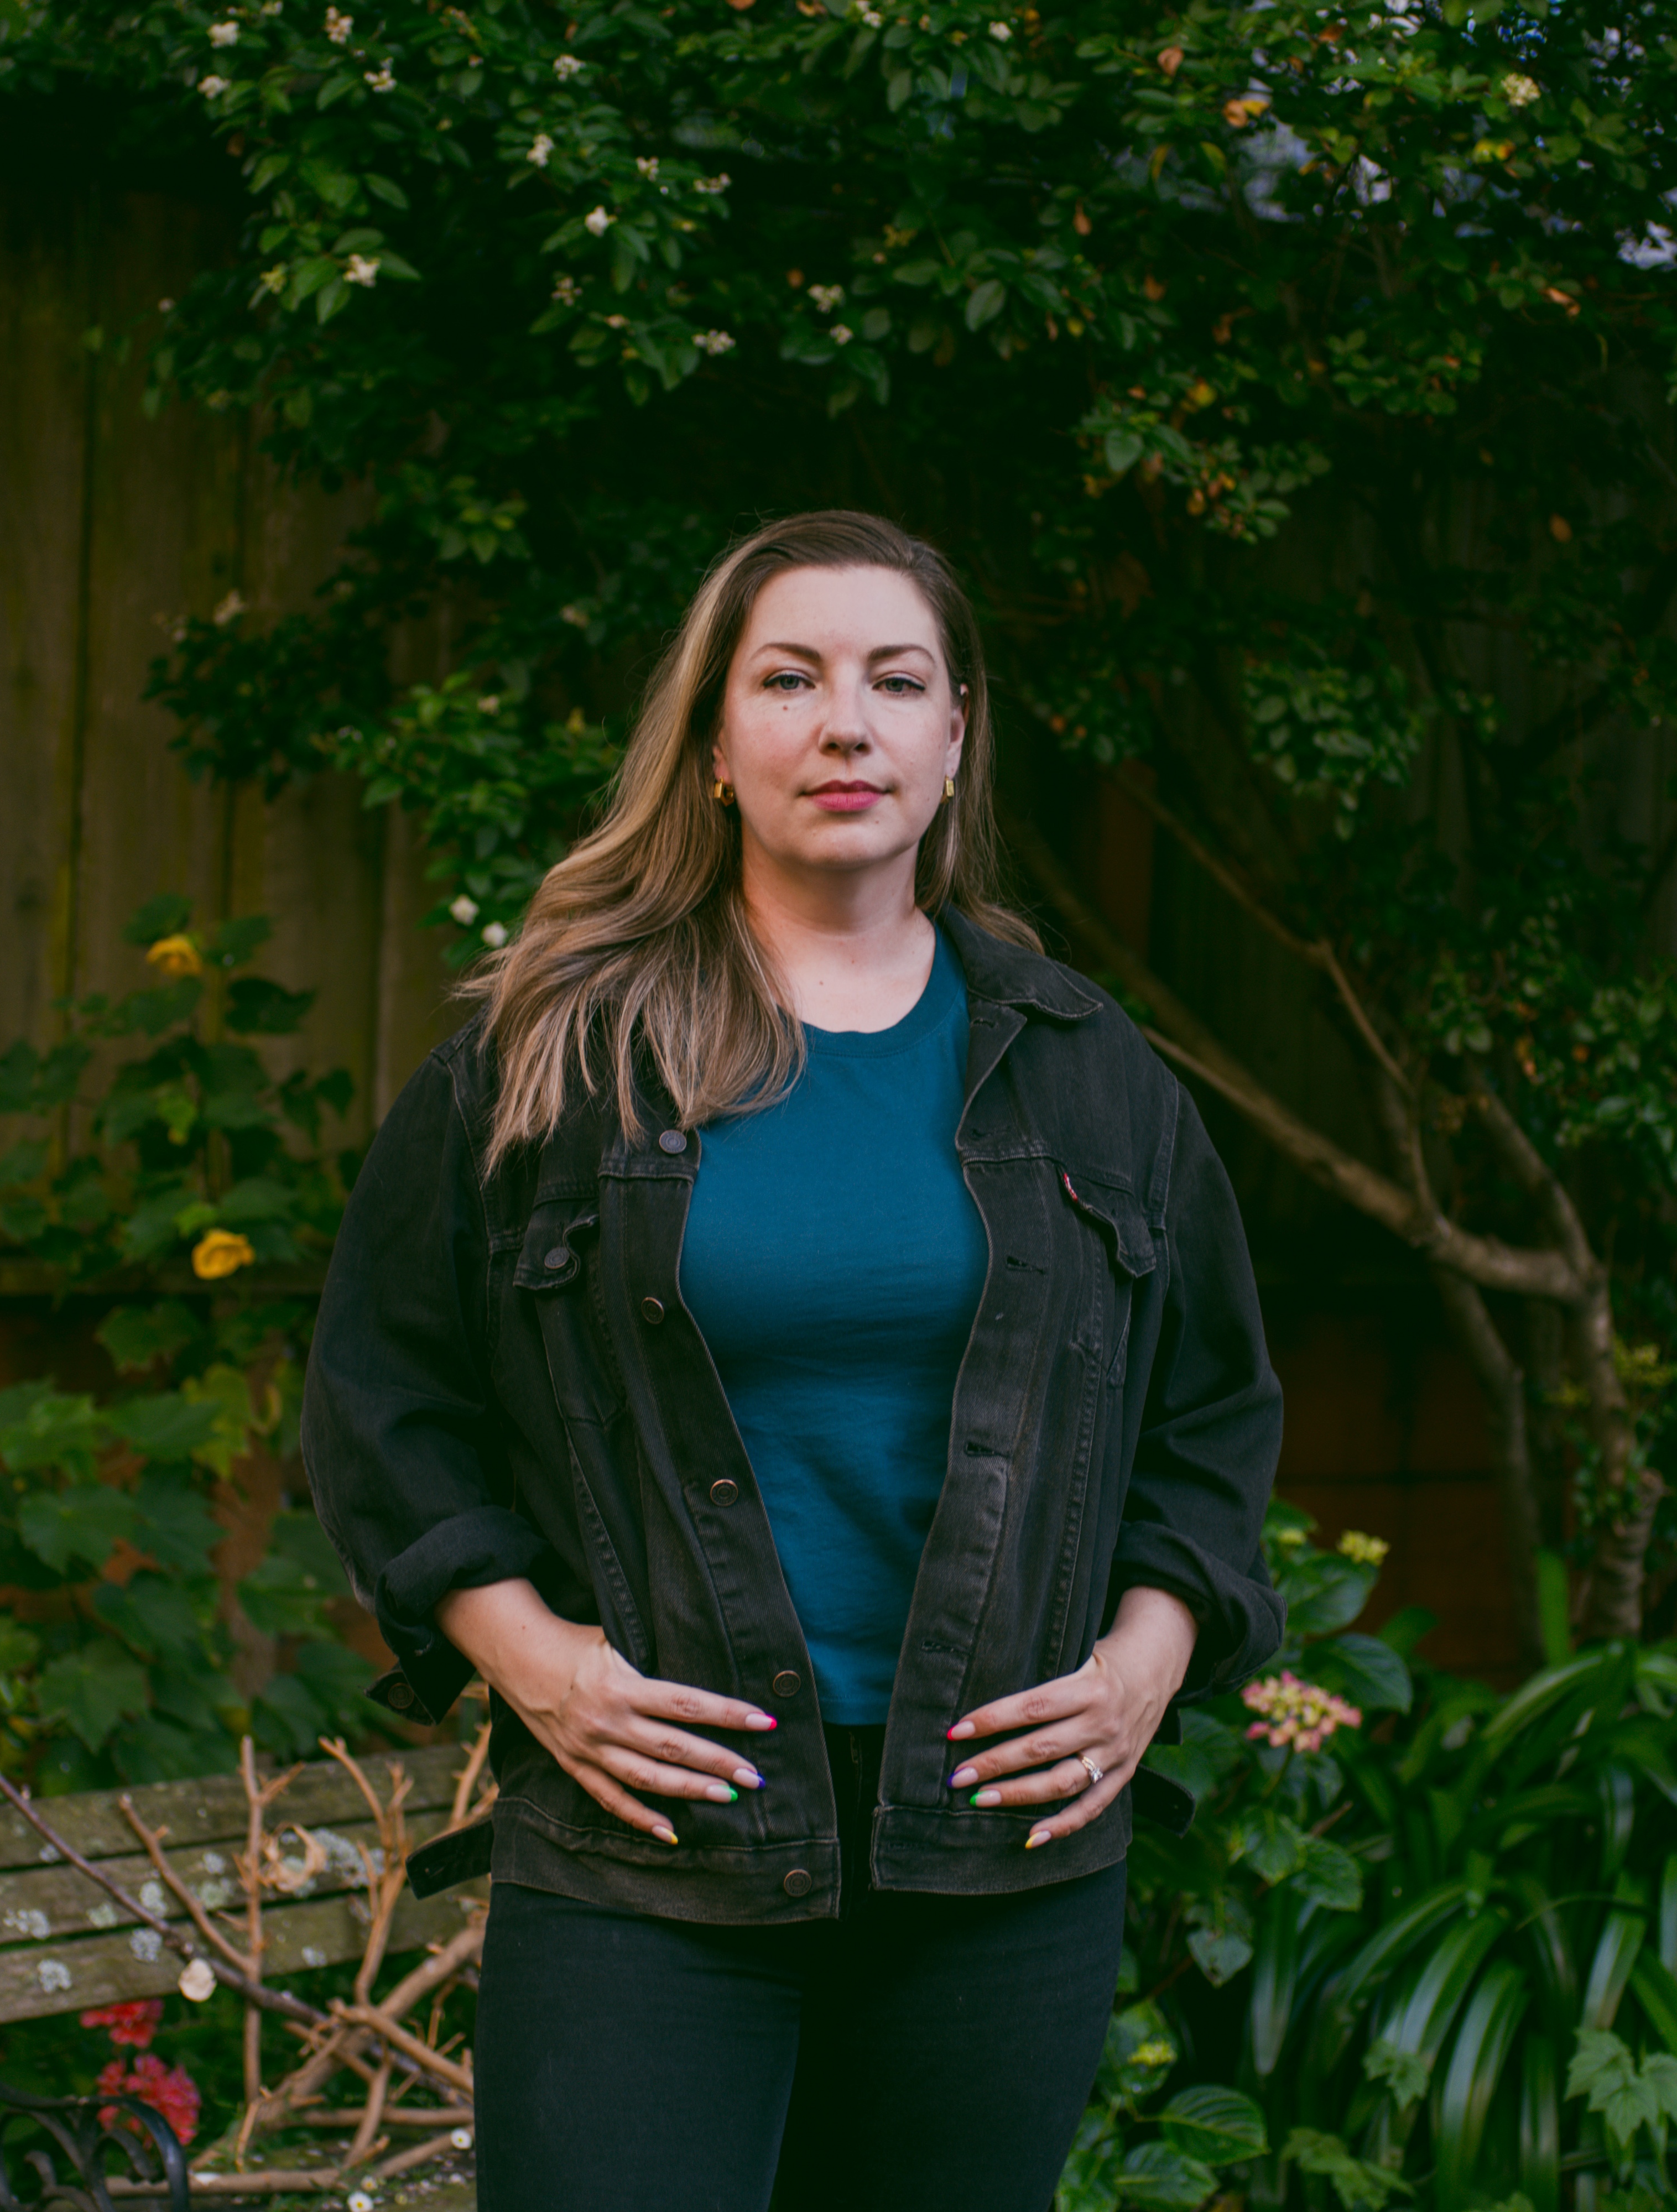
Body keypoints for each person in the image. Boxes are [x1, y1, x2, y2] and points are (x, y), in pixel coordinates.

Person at [303, 510, 1285, 2211]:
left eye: (897, 681)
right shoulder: (557, 1061)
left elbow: (1212, 1413)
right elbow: (383, 1397)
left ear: (955, 739)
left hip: (995, 1853)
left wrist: (1146, 1659)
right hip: (655, 1854)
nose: (848, 724)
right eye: (791, 679)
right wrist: (529, 1659)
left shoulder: (1088, 1074)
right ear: (710, 749)